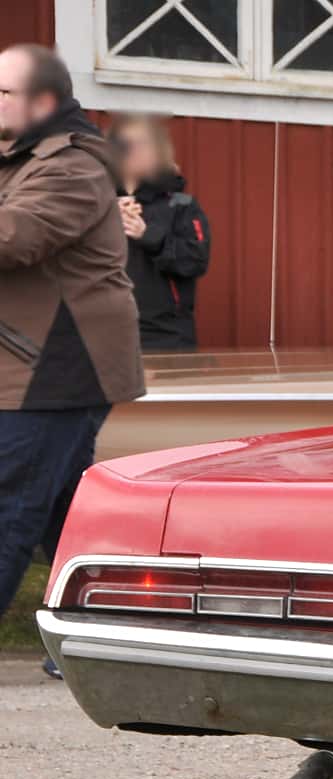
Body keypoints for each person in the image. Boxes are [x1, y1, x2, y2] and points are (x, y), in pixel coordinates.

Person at [0, 45, 144, 677]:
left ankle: (99, 644)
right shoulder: (23, 159)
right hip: (29, 362)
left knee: (11, 506)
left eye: (3, 92)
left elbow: (16, 237)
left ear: (44, 102)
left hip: (57, 366)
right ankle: (97, 645)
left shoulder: (74, 166)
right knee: (63, 512)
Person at [108, 114, 211, 351]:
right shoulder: (96, 202)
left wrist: (148, 235)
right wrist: (105, 216)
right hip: (104, 334)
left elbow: (195, 260)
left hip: (166, 336)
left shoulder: (181, 205)